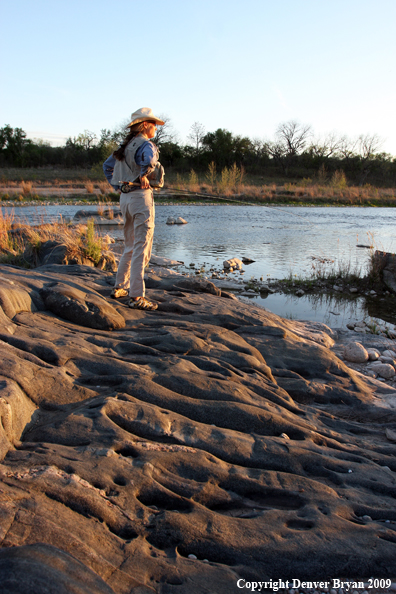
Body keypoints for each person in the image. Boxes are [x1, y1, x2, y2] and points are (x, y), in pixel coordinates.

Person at [103, 107, 164, 310]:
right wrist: (143, 176)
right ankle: (137, 297)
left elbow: (107, 166)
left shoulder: (125, 146)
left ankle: (120, 287)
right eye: (153, 124)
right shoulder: (146, 145)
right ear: (145, 125)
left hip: (125, 199)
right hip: (140, 199)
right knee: (141, 248)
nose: (156, 127)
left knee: (130, 245)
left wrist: (118, 187)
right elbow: (150, 161)